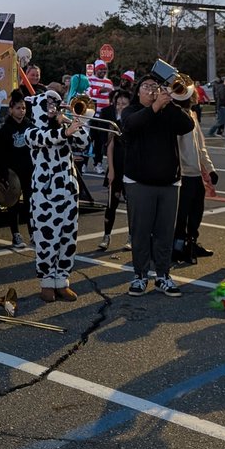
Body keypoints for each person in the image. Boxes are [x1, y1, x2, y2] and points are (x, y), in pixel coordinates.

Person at [120, 73, 193, 298]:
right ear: (138, 91)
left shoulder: (168, 112)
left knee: (164, 232)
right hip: (139, 182)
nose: (152, 90)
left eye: (155, 86)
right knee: (141, 232)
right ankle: (140, 276)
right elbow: (132, 125)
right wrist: (155, 107)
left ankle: (163, 275)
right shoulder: (130, 111)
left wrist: (168, 103)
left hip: (169, 181)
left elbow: (187, 125)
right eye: (146, 86)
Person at [25, 90, 87, 301]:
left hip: (69, 191)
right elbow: (46, 139)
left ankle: (62, 280)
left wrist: (74, 119)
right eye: (49, 105)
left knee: (68, 239)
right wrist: (64, 130)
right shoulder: (31, 132)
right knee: (46, 241)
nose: (53, 108)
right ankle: (46, 281)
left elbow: (84, 141)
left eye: (56, 104)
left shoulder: (64, 126)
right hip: (45, 194)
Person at [171, 86, 217, 265]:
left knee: (196, 211)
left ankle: (192, 242)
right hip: (182, 172)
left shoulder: (192, 115)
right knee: (181, 214)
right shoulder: (174, 117)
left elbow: (200, 146)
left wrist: (210, 168)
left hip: (195, 172)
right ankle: (178, 245)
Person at [0, 89, 33, 250]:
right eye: (18, 108)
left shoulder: (29, 125)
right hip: (12, 173)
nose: (21, 111)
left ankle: (33, 232)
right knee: (13, 204)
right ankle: (15, 234)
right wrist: (1, 174)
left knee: (31, 203)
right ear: (10, 109)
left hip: (28, 171)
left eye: (23, 108)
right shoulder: (6, 129)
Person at [96, 90, 131, 251]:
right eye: (118, 104)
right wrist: (111, 170)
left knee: (133, 206)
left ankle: (131, 237)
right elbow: (109, 146)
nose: (121, 107)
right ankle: (106, 236)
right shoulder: (113, 123)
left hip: (131, 168)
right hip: (116, 166)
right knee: (112, 204)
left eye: (124, 104)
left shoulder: (134, 121)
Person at [87, 61, 114, 173]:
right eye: (100, 69)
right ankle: (83, 163)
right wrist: (100, 90)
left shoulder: (109, 82)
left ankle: (98, 163)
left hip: (103, 116)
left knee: (100, 141)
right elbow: (87, 92)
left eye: (104, 70)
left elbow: (111, 97)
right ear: (96, 70)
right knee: (89, 139)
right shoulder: (90, 80)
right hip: (92, 114)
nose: (102, 71)